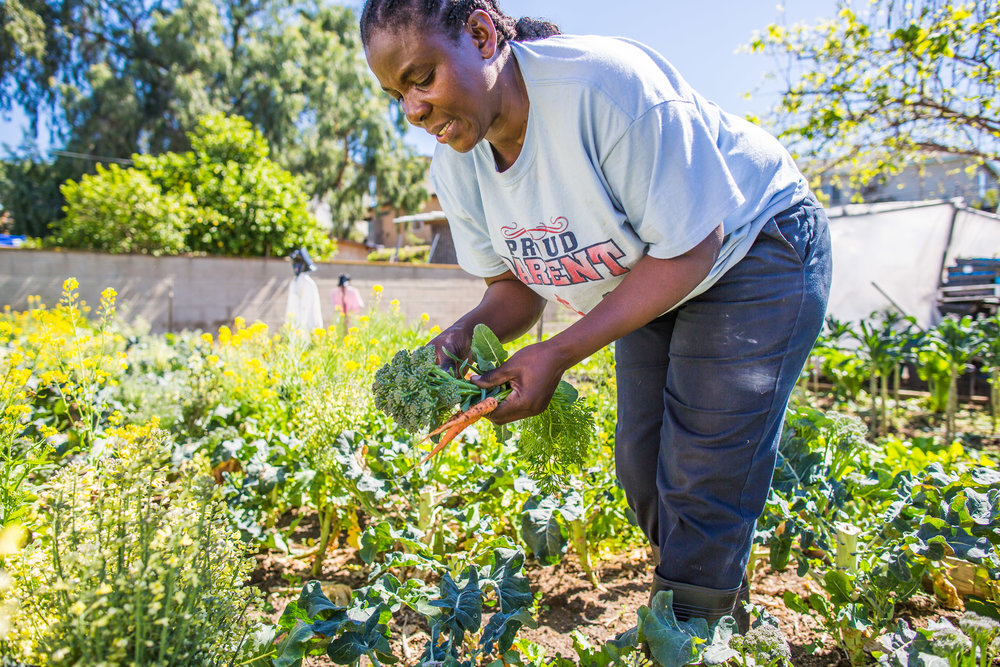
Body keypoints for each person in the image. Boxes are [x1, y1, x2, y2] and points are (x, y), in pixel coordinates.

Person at [360, 0, 832, 627]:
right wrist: (457, 340)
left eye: (421, 78)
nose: (413, 110)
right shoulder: (459, 162)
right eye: (397, 94)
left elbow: (692, 248)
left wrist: (556, 352)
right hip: (651, 272)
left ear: (478, 33)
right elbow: (515, 290)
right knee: (642, 466)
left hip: (752, 246)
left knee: (701, 471)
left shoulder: (604, 88)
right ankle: (708, 598)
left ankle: (694, 630)